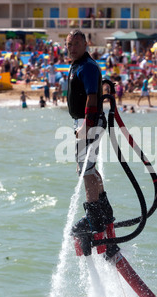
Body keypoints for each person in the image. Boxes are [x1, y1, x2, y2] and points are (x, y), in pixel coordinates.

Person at [65, 29, 114, 238]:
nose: (72, 48)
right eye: (69, 44)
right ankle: (104, 211)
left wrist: (86, 125)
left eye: (76, 44)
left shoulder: (87, 66)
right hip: (86, 122)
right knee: (89, 168)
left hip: (89, 121)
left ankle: (94, 220)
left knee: (86, 170)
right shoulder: (77, 65)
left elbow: (92, 98)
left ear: (86, 45)